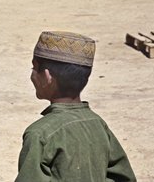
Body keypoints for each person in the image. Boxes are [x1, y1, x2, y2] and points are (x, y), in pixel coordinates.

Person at [15, 31, 136, 182]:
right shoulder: (98, 124)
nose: (32, 74)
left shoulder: (39, 134)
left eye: (34, 68)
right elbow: (123, 177)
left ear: (47, 77)